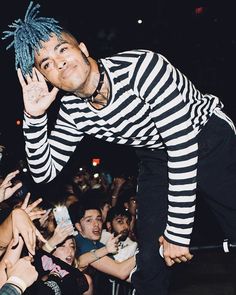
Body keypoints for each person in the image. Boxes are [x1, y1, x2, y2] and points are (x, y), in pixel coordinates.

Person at [2, 2, 236, 294]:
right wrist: (34, 118)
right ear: (46, 78)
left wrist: (177, 232)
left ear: (84, 49)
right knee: (150, 259)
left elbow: (182, 144)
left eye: (62, 49)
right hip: (154, 155)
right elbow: (43, 173)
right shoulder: (73, 110)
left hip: (204, 136)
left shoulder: (142, 68)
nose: (58, 62)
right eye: (46, 63)